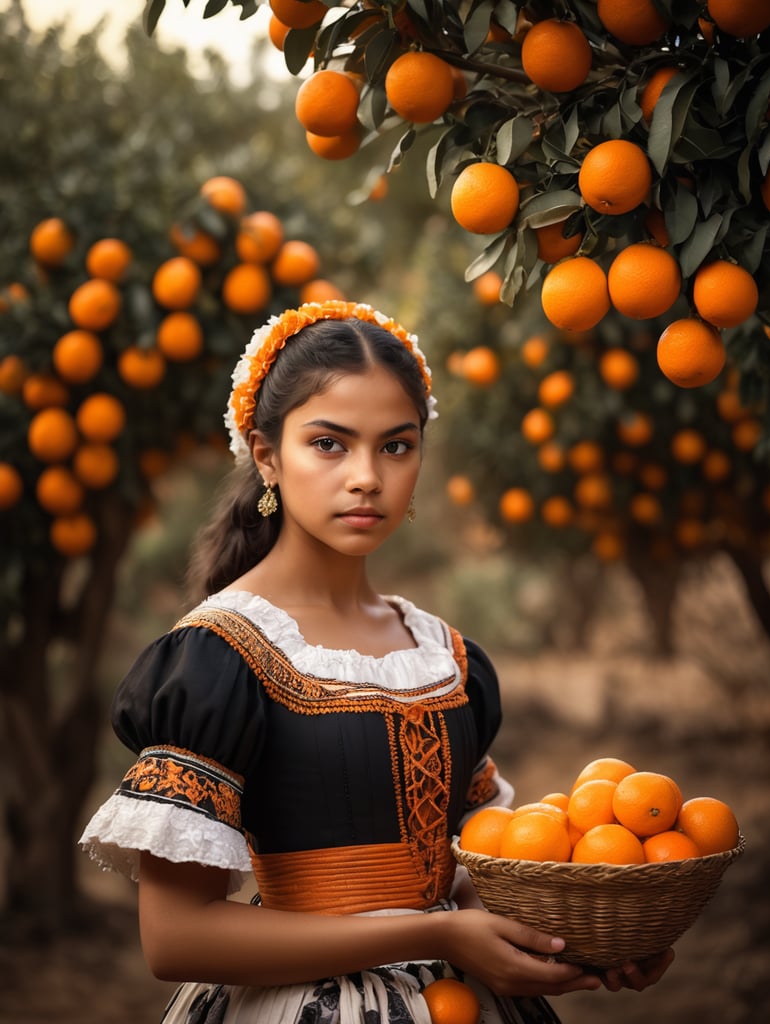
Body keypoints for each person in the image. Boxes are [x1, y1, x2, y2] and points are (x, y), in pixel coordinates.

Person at [79, 300, 673, 1024]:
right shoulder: (217, 659)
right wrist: (434, 932)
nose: (366, 477)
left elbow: (469, 876)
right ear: (265, 454)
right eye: (329, 444)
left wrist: (587, 937)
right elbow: (176, 938)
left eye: (395, 446)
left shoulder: (449, 659)